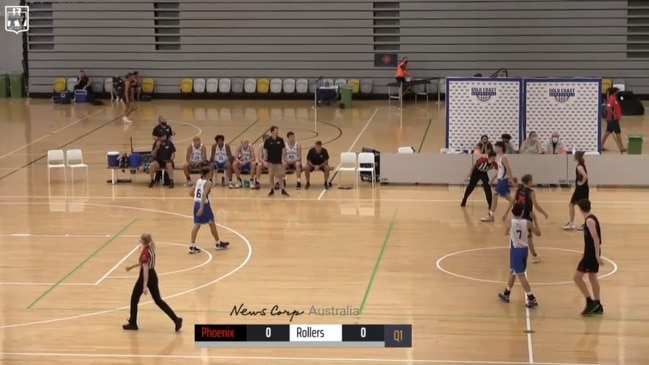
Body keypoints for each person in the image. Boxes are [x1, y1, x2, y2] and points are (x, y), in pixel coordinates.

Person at [123, 233, 183, 331]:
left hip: (146, 276)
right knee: (158, 300)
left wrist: (144, 286)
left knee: (134, 299)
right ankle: (176, 320)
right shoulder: (150, 249)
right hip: (153, 275)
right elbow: (144, 264)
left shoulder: (145, 253)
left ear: (142, 241)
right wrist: (132, 267)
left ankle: (133, 323)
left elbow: (145, 270)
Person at [497, 203, 541, 308]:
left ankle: (531, 298)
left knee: (521, 275)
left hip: (515, 250)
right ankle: (507, 293)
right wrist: (535, 219)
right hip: (524, 250)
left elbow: (505, 233)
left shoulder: (509, 222)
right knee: (513, 271)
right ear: (522, 212)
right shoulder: (528, 222)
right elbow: (538, 233)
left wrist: (510, 230)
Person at [502, 174, 548, 263]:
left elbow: (512, 201)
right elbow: (536, 205)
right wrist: (544, 213)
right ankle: (534, 256)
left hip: (517, 214)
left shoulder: (518, 189)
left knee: (514, 233)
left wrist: (506, 212)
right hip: (527, 215)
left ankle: (515, 251)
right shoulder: (531, 192)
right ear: (529, 181)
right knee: (529, 237)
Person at [573, 199, 604, 316]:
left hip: (591, 254)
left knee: (577, 277)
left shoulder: (590, 220)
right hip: (590, 252)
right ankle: (598, 304)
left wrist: (596, 255)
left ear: (580, 209)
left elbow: (596, 238)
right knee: (592, 277)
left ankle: (589, 301)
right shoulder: (591, 218)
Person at [188, 167, 230, 253]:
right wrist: (202, 207)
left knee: (198, 224)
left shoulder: (197, 181)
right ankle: (217, 243)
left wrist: (197, 200)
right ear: (206, 174)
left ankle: (192, 245)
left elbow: (191, 193)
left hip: (196, 204)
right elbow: (203, 195)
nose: (211, 174)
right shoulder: (208, 183)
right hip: (204, 205)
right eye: (210, 173)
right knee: (211, 223)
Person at [482, 142, 514, 222]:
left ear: (500, 148)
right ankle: (522, 210)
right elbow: (499, 171)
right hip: (500, 180)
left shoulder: (504, 157)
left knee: (495, 196)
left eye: (496, 147)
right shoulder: (499, 158)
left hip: (503, 181)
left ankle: (491, 216)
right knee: (510, 199)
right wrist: (492, 180)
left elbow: (508, 168)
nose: (495, 149)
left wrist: (511, 179)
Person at [563, 151, 589, 230]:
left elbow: (585, 176)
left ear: (577, 157)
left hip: (580, 189)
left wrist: (581, 183)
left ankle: (572, 223)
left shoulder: (579, 167)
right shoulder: (582, 165)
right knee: (583, 207)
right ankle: (586, 224)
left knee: (572, 204)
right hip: (584, 189)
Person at [263, 126, 289, 197]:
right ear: (272, 132)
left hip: (278, 162)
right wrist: (265, 161)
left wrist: (284, 159)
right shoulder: (268, 141)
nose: (277, 131)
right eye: (276, 130)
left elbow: (283, 150)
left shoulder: (280, 140)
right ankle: (272, 189)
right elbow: (265, 151)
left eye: (277, 130)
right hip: (270, 162)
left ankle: (283, 190)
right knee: (271, 176)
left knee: (280, 176)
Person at [602, 87, 626, 153]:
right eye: (617, 91)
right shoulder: (612, 98)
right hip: (613, 120)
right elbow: (608, 108)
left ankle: (600, 146)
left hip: (613, 119)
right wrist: (614, 115)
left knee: (607, 132)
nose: (618, 92)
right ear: (614, 92)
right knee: (618, 133)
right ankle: (622, 148)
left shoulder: (614, 98)